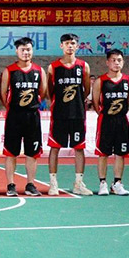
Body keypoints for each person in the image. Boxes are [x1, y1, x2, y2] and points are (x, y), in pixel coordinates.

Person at [47, 33, 93, 196]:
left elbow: (86, 89)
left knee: (79, 148)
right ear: (61, 46)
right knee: (55, 147)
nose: (70, 46)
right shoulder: (53, 67)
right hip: (59, 114)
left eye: (73, 43)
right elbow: (50, 91)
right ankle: (53, 183)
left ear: (77, 46)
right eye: (67, 43)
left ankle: (78, 183)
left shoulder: (83, 66)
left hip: (77, 113)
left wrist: (77, 102)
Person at [0, 37, 46, 197]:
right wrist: (12, 108)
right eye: (23, 50)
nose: (26, 52)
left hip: (33, 116)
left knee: (32, 153)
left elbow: (43, 92)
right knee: (11, 152)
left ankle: (30, 184)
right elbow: (2, 93)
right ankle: (11, 185)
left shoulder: (39, 71)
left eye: (28, 49)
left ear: (32, 51)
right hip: (14, 116)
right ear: (16, 51)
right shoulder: (10, 71)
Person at [91, 49, 129, 196]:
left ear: (123, 62)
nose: (116, 63)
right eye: (113, 60)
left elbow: (128, 100)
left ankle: (117, 184)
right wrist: (104, 114)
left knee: (121, 153)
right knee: (103, 153)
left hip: (122, 121)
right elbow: (95, 102)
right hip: (105, 121)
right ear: (107, 62)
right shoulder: (100, 81)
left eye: (119, 60)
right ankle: (102, 183)